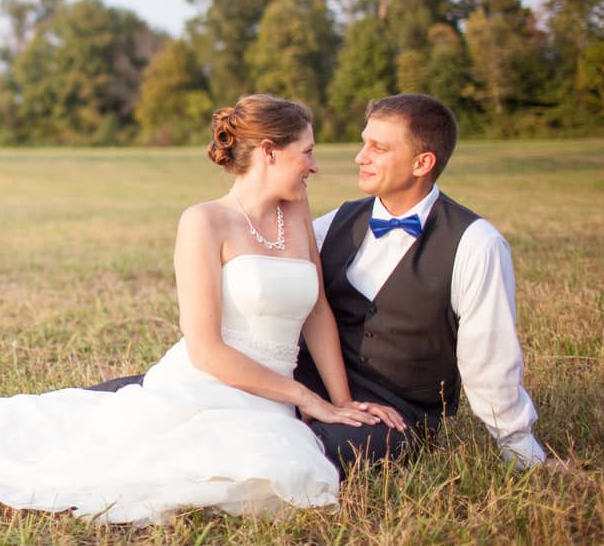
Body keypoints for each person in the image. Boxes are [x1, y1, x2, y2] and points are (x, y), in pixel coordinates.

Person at [0, 95, 403, 523]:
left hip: (269, 396)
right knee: (108, 461)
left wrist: (341, 402)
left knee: (274, 469)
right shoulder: (203, 223)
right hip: (207, 382)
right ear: (269, 151)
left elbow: (315, 314)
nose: (315, 164)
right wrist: (304, 398)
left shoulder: (295, 210)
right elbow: (204, 349)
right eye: (307, 152)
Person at [86, 93, 548, 474]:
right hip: (297, 381)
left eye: (378, 149)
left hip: (392, 406)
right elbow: (266, 278)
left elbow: (489, 359)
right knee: (127, 403)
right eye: (363, 143)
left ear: (422, 161)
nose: (358, 158)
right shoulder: (334, 223)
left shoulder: (475, 245)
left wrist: (519, 446)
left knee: (290, 459)